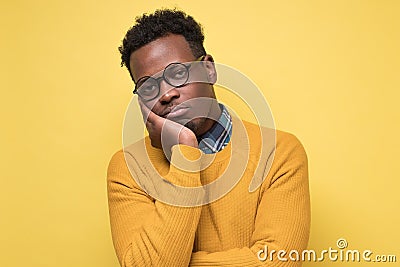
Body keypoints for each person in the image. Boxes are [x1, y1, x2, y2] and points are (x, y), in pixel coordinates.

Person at [107, 8, 310, 266]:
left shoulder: (279, 152)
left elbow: (280, 261)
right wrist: (185, 154)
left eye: (178, 74)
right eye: (148, 86)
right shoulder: (128, 168)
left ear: (208, 69)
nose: (166, 94)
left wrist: (181, 261)